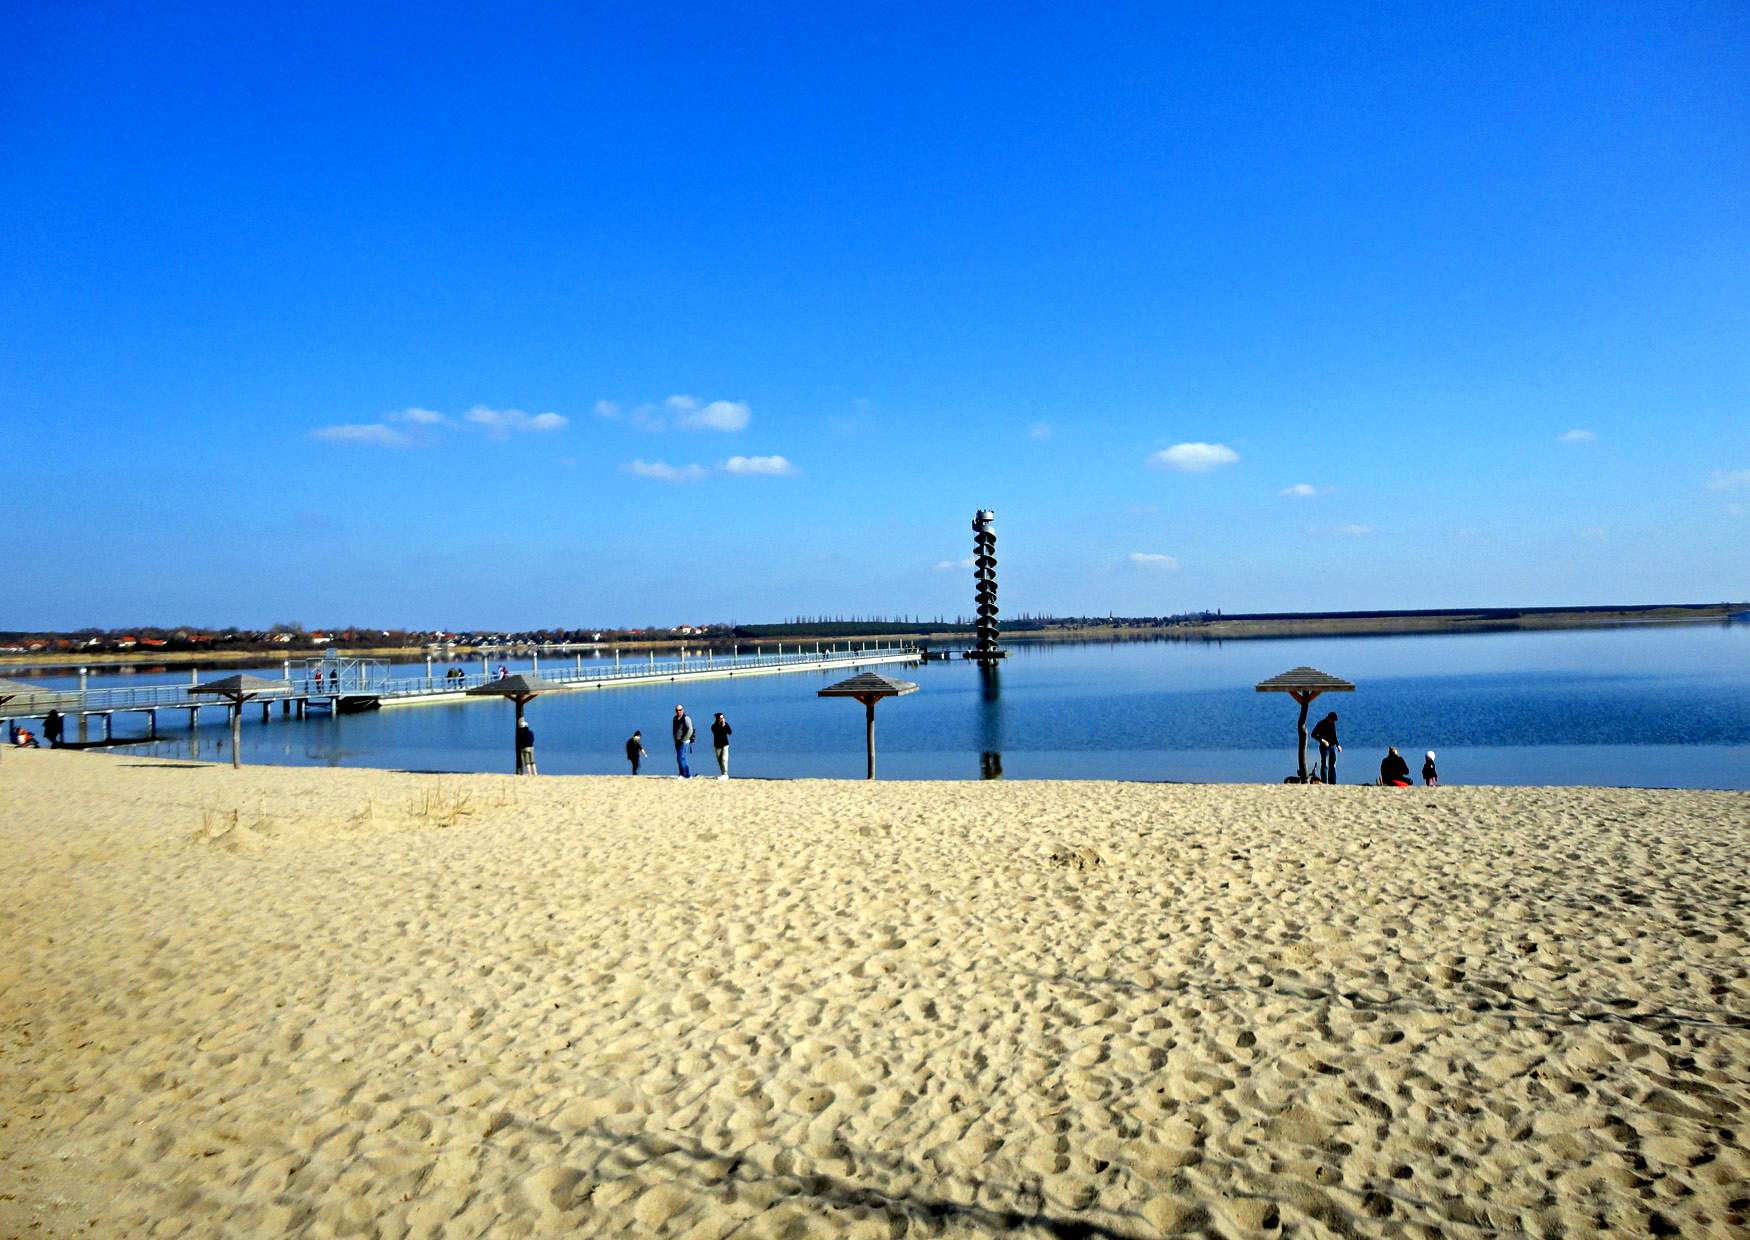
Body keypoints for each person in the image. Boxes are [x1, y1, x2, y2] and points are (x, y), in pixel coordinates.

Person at [1309, 711, 1340, 783]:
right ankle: (1324, 782)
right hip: (1324, 748)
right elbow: (1313, 734)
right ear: (1328, 718)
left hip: (1333, 747)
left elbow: (1334, 735)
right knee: (1325, 765)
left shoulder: (1332, 724)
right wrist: (1322, 740)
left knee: (1332, 765)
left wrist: (1338, 745)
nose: (1333, 722)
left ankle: (1332, 783)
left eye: (1334, 721)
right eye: (1332, 720)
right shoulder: (1321, 723)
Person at [672, 704, 694, 778]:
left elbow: (690, 730)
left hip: (684, 741)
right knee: (682, 758)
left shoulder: (686, 718)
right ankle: (688, 775)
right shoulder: (675, 718)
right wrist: (674, 737)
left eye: (680, 710)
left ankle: (682, 774)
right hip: (677, 741)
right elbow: (674, 729)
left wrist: (685, 739)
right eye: (677, 710)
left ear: (683, 710)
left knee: (680, 757)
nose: (678, 711)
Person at [710, 712, 732, 780]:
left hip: (725, 745)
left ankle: (725, 774)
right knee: (720, 761)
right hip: (717, 745)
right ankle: (723, 774)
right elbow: (717, 732)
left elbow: (730, 732)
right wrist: (722, 727)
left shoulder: (725, 724)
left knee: (724, 759)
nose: (722, 719)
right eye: (720, 718)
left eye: (722, 718)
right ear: (717, 719)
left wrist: (724, 726)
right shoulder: (713, 726)